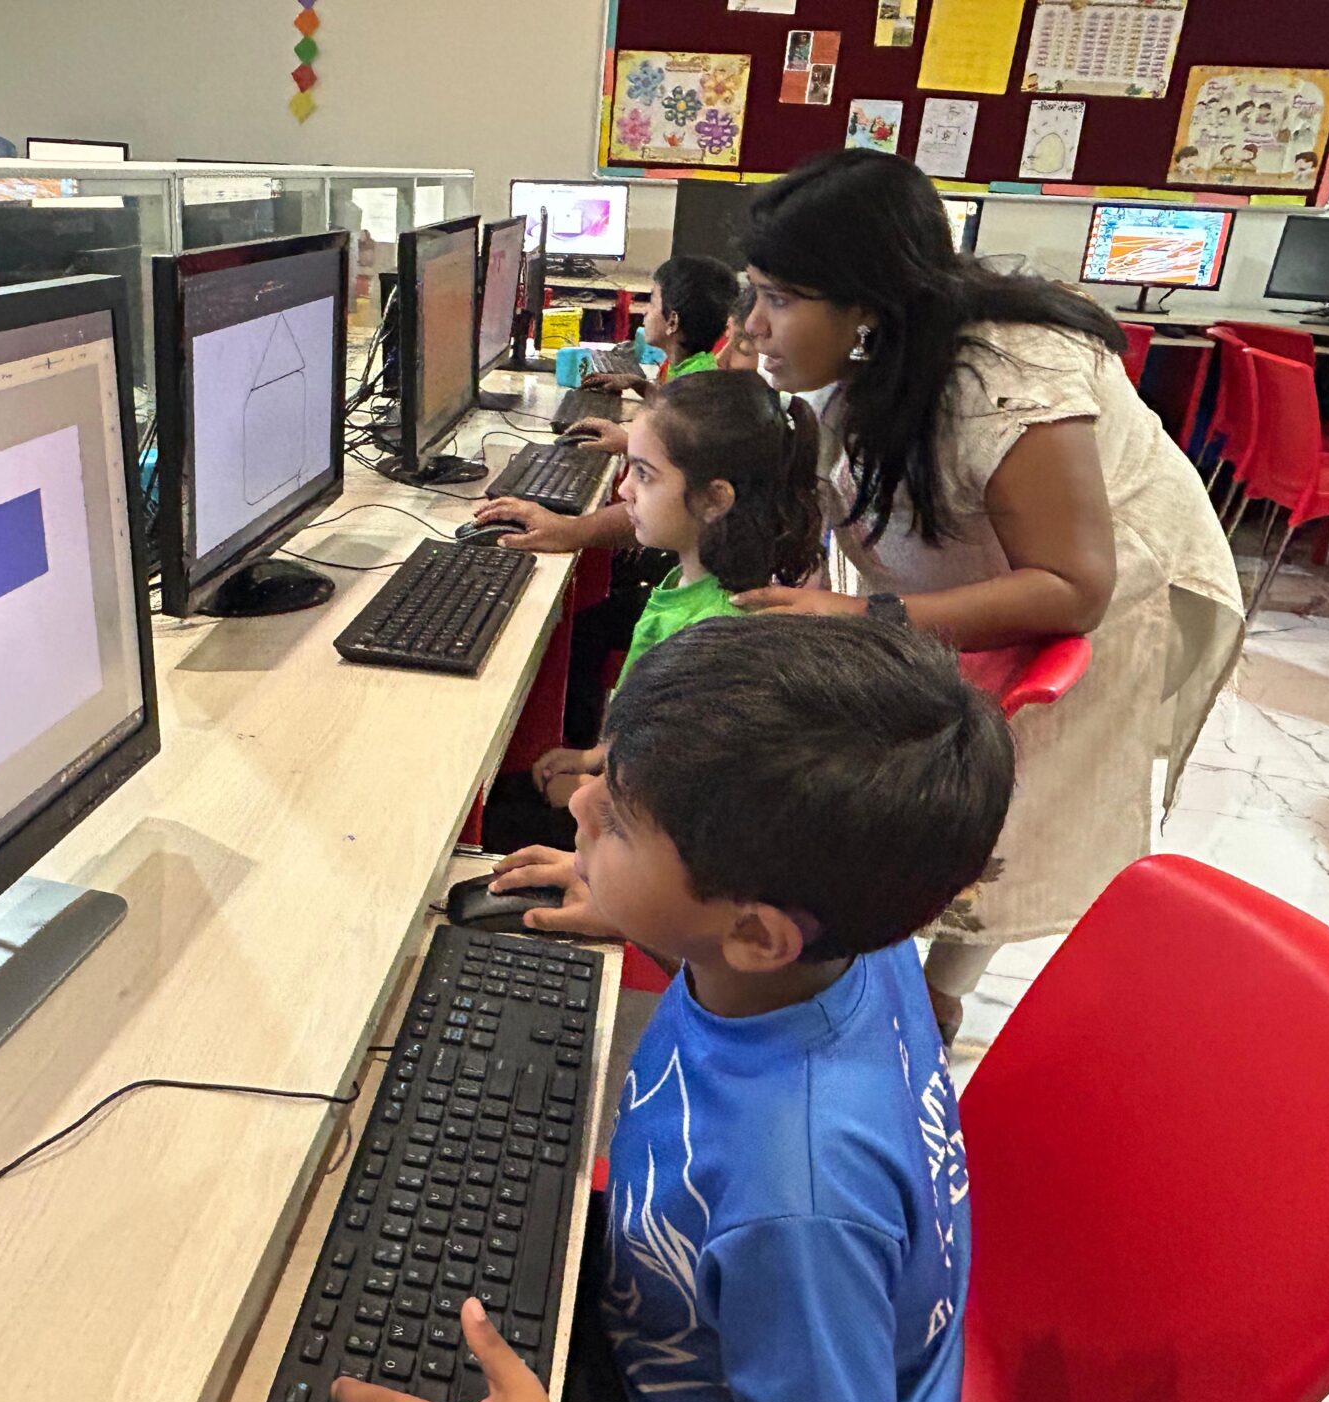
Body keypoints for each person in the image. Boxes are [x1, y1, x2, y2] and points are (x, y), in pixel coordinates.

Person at [334, 615, 1017, 1402]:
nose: (579, 803)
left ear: (758, 937)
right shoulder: (858, 939)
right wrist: (630, 898)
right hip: (680, 1308)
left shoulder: (797, 1199)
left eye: (617, 820)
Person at [726, 148, 1243, 1040]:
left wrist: (867, 615)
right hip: (1019, 564)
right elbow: (835, 492)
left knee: (1014, 792)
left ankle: (936, 998)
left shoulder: (1002, 376)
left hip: (1113, 584)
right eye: (753, 294)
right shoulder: (879, 356)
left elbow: (1075, 588)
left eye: (778, 299)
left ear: (866, 307)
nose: (754, 327)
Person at [481, 370, 821, 852]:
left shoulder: (715, 634)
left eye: (643, 474)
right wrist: (599, 755)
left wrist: (590, 793)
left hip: (629, 839)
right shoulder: (692, 580)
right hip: (620, 787)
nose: (623, 491)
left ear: (714, 499)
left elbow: (677, 808)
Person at [568, 254, 739, 456]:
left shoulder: (696, 388)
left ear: (672, 322)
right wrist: (637, 383)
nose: (644, 313)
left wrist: (628, 443)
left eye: (652, 303)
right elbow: (670, 408)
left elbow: (686, 457)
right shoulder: (693, 366)